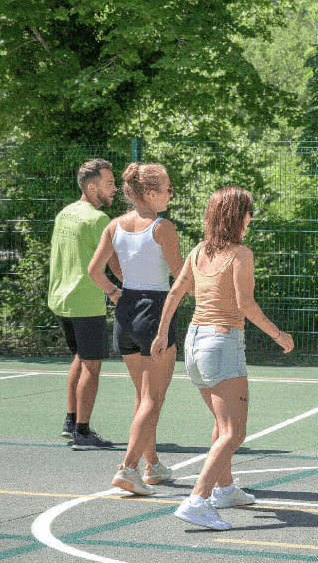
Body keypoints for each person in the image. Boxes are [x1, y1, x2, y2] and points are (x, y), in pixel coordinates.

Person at [152, 186, 294, 530]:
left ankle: (225, 489)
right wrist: (279, 335)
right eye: (247, 212)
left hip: (194, 343)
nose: (249, 219)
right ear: (235, 217)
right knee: (234, 431)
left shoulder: (199, 251)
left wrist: (160, 333)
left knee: (220, 422)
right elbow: (245, 305)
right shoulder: (241, 254)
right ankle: (197, 499)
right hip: (222, 342)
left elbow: (175, 293)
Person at [87, 163, 183, 495]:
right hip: (154, 311)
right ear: (151, 193)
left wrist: (116, 294)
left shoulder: (114, 226)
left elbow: (94, 271)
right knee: (153, 400)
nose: (171, 194)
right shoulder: (162, 227)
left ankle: (152, 465)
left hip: (126, 314)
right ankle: (128, 469)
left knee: (143, 398)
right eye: (168, 189)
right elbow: (181, 279)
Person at [48, 158, 121, 451]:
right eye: (109, 183)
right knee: (91, 365)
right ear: (92, 187)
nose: (115, 189)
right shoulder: (98, 220)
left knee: (80, 356)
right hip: (85, 302)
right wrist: (116, 291)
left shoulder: (65, 214)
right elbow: (108, 263)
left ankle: (70, 422)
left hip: (61, 301)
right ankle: (82, 431)